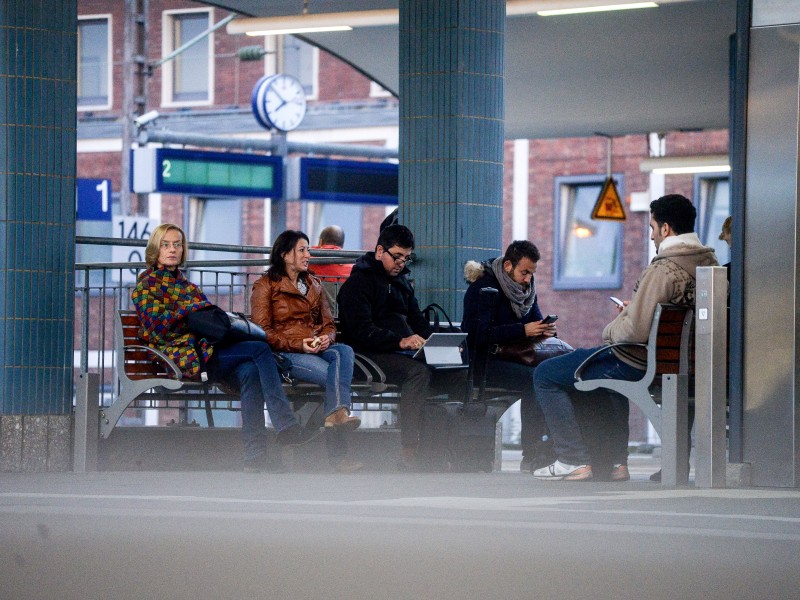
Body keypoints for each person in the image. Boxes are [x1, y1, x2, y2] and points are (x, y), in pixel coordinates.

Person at [532, 194, 719, 481]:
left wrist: (614, 325)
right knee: (596, 377)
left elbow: (634, 332)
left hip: (637, 362)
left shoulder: (663, 269)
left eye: (653, 229)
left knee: (546, 374)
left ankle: (572, 459)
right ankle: (620, 464)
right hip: (683, 364)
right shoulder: (709, 266)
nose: (652, 237)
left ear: (666, 229)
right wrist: (637, 311)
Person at [132, 224, 316, 474]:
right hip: (183, 357)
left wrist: (194, 316)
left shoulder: (186, 286)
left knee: (251, 371)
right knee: (260, 350)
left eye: (177, 244)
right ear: (155, 249)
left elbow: (208, 319)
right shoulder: (146, 286)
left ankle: (255, 456)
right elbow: (157, 327)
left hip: (206, 351)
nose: (172, 250)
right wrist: (188, 313)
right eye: (166, 244)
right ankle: (285, 424)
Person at [336, 224, 463, 469]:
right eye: (397, 256)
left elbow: (418, 322)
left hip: (401, 351)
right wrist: (399, 341)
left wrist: (443, 341)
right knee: (419, 373)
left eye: (406, 258)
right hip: (367, 354)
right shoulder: (358, 284)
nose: (401, 263)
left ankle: (440, 447)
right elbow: (360, 332)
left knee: (457, 370)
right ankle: (410, 450)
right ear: (380, 251)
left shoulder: (401, 282)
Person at [251, 229, 363, 473]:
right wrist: (298, 344)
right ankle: (337, 452)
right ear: (285, 255)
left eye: (308, 249)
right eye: (301, 250)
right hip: (286, 353)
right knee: (336, 380)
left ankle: (337, 415)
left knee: (344, 352)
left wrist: (326, 337)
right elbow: (262, 332)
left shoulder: (314, 283)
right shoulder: (265, 286)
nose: (308, 255)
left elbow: (329, 324)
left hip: (315, 346)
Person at [462, 241, 558, 473]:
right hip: (486, 363)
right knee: (537, 381)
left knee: (549, 376)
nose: (527, 279)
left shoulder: (526, 290)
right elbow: (476, 335)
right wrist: (522, 331)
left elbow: (532, 319)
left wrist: (543, 329)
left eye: (531, 273)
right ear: (507, 266)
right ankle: (533, 453)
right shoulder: (484, 289)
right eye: (524, 272)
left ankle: (550, 448)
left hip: (515, 357)